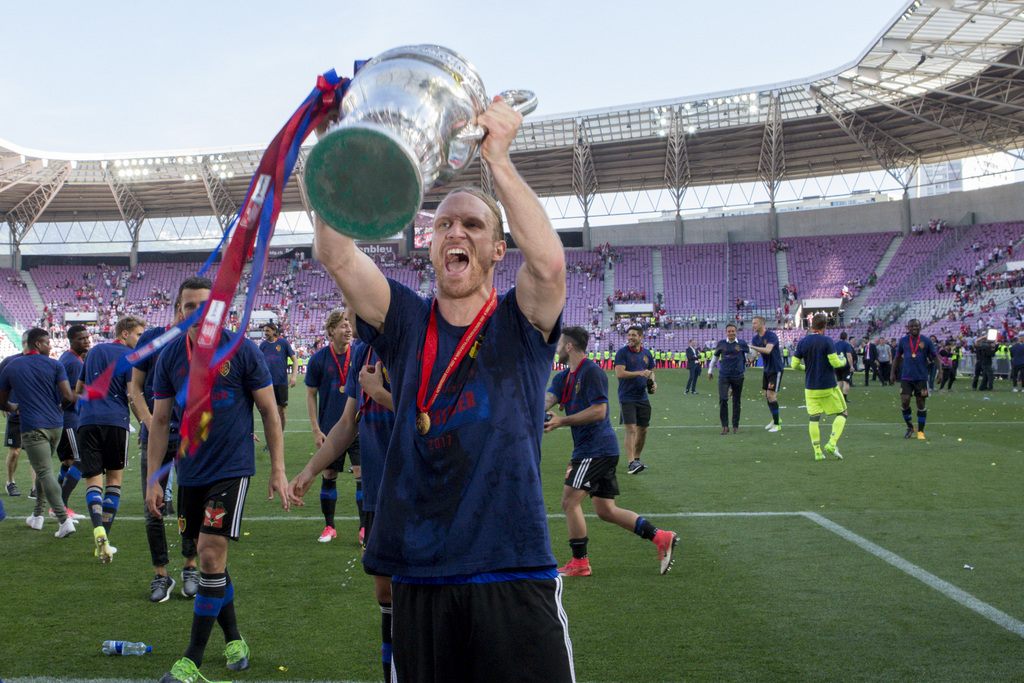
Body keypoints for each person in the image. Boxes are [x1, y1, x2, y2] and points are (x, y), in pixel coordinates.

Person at [313, 97, 575, 682]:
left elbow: (552, 267)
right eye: (443, 225)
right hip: (419, 570)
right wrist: (337, 150)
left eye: (473, 225)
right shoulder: (404, 319)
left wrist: (499, 162)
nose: (455, 230)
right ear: (429, 247)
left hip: (511, 563)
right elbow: (335, 253)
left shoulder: (520, 322)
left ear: (498, 250)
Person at [150, 278, 290, 683]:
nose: (196, 314)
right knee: (212, 563)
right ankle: (234, 638)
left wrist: (277, 468)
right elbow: (160, 421)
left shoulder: (242, 349)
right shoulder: (170, 357)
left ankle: (190, 661)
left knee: (209, 555)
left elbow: (268, 410)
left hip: (231, 469)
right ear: (179, 312)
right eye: (188, 306)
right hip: (189, 472)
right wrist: (154, 480)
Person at [290, 308, 397, 680]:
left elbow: (432, 415)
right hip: (378, 495)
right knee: (383, 593)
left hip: (417, 491)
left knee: (424, 594)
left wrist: (380, 393)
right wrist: (309, 470)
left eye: (358, 312)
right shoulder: (365, 355)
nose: (353, 322)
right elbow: (346, 424)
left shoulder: (412, 349)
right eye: (350, 313)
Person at [544, 326, 678, 577]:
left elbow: (600, 412)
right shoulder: (562, 378)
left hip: (595, 449)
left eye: (560, 344)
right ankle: (661, 537)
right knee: (606, 510)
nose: (557, 348)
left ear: (569, 346)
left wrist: (561, 421)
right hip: (594, 449)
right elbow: (546, 402)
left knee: (569, 502)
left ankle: (580, 563)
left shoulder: (592, 372)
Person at [129, 292, 199, 603]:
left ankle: (190, 567)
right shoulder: (152, 338)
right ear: (178, 309)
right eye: (190, 307)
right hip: (157, 435)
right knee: (152, 507)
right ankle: (160, 574)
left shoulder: (201, 342)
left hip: (190, 438)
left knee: (190, 503)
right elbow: (135, 386)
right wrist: (147, 420)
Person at [76, 315, 146, 562]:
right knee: (114, 481)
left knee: (93, 481)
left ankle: (97, 530)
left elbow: (78, 389)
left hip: (87, 422)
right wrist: (145, 423)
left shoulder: (94, 351)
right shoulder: (130, 357)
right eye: (138, 334)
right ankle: (105, 536)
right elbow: (132, 395)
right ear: (124, 333)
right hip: (115, 422)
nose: (140, 340)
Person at [0, 327, 79, 537]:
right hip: (56, 425)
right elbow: (68, 396)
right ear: (37, 344)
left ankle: (64, 520)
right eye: (47, 342)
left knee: (44, 471)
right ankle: (37, 515)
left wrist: (14, 407)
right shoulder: (55, 364)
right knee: (43, 469)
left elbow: (1, 402)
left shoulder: (10, 365)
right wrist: (61, 407)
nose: (50, 345)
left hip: (32, 426)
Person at [304, 309, 361, 543]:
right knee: (329, 474)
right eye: (343, 326)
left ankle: (364, 528)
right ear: (331, 331)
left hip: (358, 427)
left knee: (362, 476)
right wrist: (317, 430)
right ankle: (330, 527)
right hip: (330, 430)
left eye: (349, 325)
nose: (348, 330)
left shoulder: (359, 353)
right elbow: (310, 396)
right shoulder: (318, 359)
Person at [792, 314, 848, 460]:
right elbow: (835, 363)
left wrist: (807, 369)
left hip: (810, 387)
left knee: (814, 418)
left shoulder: (803, 342)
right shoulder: (827, 341)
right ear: (825, 326)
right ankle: (832, 442)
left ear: (811, 325)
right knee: (843, 413)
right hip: (828, 385)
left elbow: (794, 365)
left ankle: (817, 451)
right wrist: (843, 361)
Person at [54, 324, 89, 518]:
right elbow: (72, 394)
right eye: (81, 338)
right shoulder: (74, 363)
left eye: (87, 337)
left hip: (67, 418)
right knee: (79, 460)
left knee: (68, 462)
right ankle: (61, 506)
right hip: (70, 418)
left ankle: (57, 505)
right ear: (71, 341)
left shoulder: (70, 359)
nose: (86, 341)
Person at [614, 325, 656, 474]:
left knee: (643, 430)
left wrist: (653, 382)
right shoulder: (622, 353)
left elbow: (651, 371)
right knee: (631, 429)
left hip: (642, 396)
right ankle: (631, 462)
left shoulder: (646, 353)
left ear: (641, 337)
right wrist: (638, 373)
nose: (630, 337)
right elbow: (619, 373)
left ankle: (637, 459)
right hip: (627, 396)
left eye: (634, 335)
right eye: (629, 335)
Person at [891, 319, 938, 440]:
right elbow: (897, 357)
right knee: (905, 401)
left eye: (916, 326)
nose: (914, 328)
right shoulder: (903, 341)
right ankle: (910, 426)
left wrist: (941, 372)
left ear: (920, 327)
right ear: (908, 328)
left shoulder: (926, 341)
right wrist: (892, 373)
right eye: (911, 326)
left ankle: (921, 431)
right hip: (906, 377)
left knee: (920, 403)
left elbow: (936, 357)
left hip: (921, 377)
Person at [2, 332, 30, 497]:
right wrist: (3, 404)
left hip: (34, 414)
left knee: (35, 452)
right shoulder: (9, 361)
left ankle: (35, 488)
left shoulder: (39, 362)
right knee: (15, 451)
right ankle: (10, 482)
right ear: (24, 343)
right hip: (16, 413)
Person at [708, 323, 749, 434]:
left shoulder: (742, 344)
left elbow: (750, 353)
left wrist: (746, 362)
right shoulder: (721, 344)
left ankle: (735, 426)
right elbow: (715, 357)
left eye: (733, 331)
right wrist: (710, 370)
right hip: (724, 375)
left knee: (736, 401)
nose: (731, 333)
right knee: (723, 399)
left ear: (736, 332)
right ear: (726, 333)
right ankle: (725, 426)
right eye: (729, 331)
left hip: (738, 376)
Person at [259, 321, 297, 433]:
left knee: (282, 412)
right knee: (269, 413)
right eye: (264, 331)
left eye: (267, 330)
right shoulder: (263, 346)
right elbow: (259, 364)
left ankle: (279, 437)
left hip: (281, 383)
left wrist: (293, 376)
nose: (265, 333)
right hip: (267, 384)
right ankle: (271, 438)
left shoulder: (283, 343)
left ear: (274, 331)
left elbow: (294, 360)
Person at [749, 316, 783, 432]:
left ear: (762, 324)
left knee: (771, 396)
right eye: (752, 323)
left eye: (755, 323)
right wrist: (748, 359)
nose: (753, 325)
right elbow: (754, 355)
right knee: (766, 395)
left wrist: (753, 347)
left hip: (775, 369)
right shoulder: (755, 339)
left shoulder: (771, 336)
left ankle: (777, 424)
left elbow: (768, 350)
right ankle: (775, 419)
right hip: (767, 369)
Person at [834, 332, 856, 404]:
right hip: (845, 366)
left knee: (839, 381)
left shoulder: (835, 345)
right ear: (846, 338)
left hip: (837, 365)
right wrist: (851, 366)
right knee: (846, 382)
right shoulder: (847, 345)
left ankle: (837, 396)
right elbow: (849, 355)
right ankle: (844, 398)